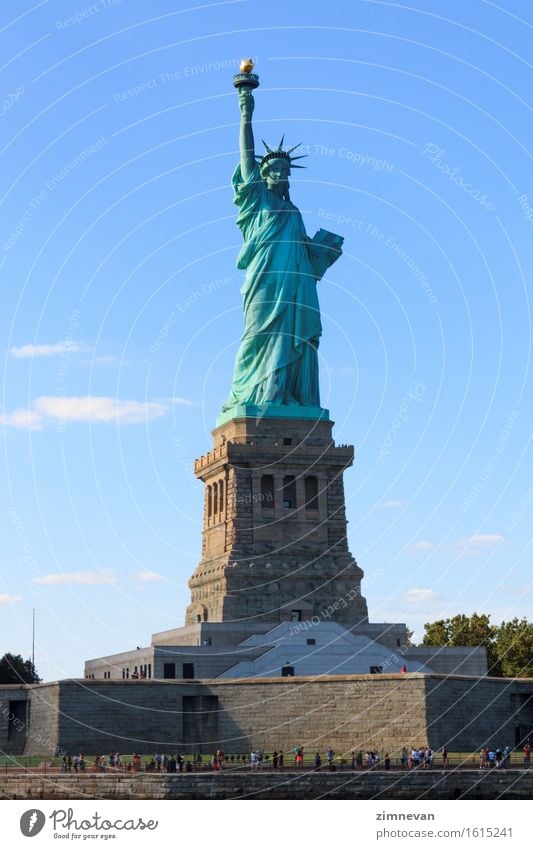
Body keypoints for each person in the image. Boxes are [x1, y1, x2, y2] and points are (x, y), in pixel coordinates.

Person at [221, 86, 344, 416]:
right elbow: (247, 158)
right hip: (265, 281)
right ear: (262, 176)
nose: (278, 174)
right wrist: (246, 114)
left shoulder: (293, 212)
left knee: (295, 338)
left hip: (296, 285)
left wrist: (323, 251)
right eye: (272, 170)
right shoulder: (257, 201)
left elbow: (307, 258)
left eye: (283, 171)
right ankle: (252, 394)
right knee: (256, 337)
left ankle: (288, 397)